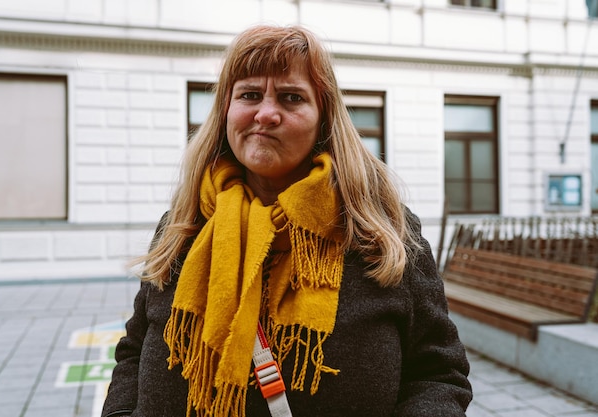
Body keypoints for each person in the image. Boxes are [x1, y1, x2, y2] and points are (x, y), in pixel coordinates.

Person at [102, 24, 472, 417]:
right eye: (248, 95)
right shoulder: (184, 222)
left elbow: (437, 373)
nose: (265, 113)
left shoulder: (379, 229)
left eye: (291, 97)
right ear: (226, 111)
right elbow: (135, 349)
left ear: (323, 117)